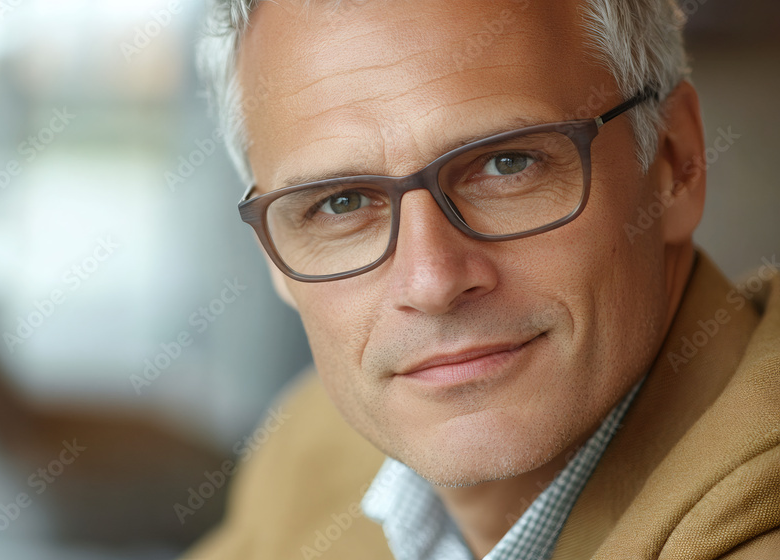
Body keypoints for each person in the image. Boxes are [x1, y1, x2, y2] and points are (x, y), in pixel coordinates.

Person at [186, 0, 780, 558]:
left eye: (507, 164)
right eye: (341, 203)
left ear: (676, 163)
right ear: (273, 257)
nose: (431, 281)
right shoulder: (308, 449)